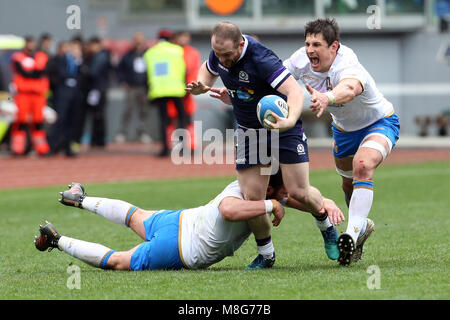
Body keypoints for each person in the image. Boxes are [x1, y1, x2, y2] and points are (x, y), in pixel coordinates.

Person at [185, 22, 328, 263]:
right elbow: (208, 68)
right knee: (253, 198)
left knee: (298, 191)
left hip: (282, 126)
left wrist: (290, 120)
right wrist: (202, 83)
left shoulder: (262, 59)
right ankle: (266, 254)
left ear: (241, 44)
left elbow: (294, 92)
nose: (222, 59)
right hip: (250, 131)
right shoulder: (220, 51)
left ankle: (326, 226)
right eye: (218, 53)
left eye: (227, 54)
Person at [34, 173, 344, 271]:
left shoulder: (253, 184)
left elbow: (292, 198)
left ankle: (80, 198)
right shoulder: (253, 199)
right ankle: (56, 240)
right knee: (118, 261)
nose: (288, 194)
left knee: (135, 216)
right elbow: (228, 211)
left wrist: (321, 203)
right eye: (282, 192)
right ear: (272, 189)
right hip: (180, 247)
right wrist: (274, 203)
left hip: (180, 219)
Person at [283, 18, 400, 266]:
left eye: (317, 44)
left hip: (379, 122)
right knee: (348, 185)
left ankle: (351, 233)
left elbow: (350, 88)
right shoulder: (299, 60)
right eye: (307, 43)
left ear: (334, 46)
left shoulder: (348, 63)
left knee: (362, 165)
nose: (310, 50)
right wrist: (237, 95)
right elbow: (276, 80)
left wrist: (328, 97)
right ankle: (361, 228)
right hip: (344, 131)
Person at [143, 29, 189, 157]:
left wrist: (148, 90)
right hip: (176, 88)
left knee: (163, 120)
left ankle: (164, 148)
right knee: (181, 118)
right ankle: (181, 147)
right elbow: (184, 69)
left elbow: (146, 74)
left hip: (158, 90)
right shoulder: (178, 50)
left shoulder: (149, 53)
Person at [9, 36, 50, 156]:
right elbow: (23, 71)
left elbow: (38, 72)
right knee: (21, 120)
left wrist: (30, 72)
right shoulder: (18, 57)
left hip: (37, 94)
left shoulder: (41, 57)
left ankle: (41, 148)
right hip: (23, 94)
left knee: (38, 120)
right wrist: (31, 72)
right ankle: (18, 148)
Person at [73, 36, 111, 149]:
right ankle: (96, 140)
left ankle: (98, 140)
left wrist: (83, 68)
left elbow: (92, 72)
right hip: (94, 89)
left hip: (96, 90)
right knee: (95, 116)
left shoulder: (101, 56)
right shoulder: (93, 56)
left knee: (97, 115)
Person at [115, 31, 151, 144]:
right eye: (137, 41)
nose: (139, 44)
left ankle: (142, 132)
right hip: (132, 87)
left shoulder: (149, 54)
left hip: (144, 87)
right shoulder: (128, 55)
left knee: (144, 111)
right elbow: (119, 70)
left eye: (141, 41)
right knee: (128, 110)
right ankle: (122, 133)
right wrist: (123, 82)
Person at [46, 41, 80, 157]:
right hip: (62, 94)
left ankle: (68, 147)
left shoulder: (78, 61)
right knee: (59, 120)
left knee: (71, 121)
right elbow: (61, 74)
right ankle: (53, 146)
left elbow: (84, 74)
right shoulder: (59, 60)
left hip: (74, 93)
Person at [172, 30, 202, 150]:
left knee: (188, 118)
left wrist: (193, 86)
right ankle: (177, 145)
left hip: (188, 90)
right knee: (174, 118)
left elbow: (195, 70)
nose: (185, 39)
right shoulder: (173, 51)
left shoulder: (193, 53)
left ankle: (189, 145)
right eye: (182, 37)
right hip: (175, 90)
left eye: (186, 37)